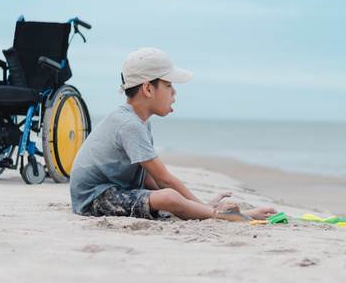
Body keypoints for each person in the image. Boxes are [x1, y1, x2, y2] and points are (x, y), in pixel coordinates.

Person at [69, 47, 277, 221]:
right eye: (169, 86)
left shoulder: (140, 122)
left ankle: (209, 212)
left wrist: (196, 205)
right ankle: (228, 217)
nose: (174, 93)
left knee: (168, 196)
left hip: (113, 190)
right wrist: (202, 207)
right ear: (148, 89)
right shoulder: (129, 124)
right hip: (94, 198)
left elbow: (149, 179)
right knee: (168, 197)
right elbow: (165, 181)